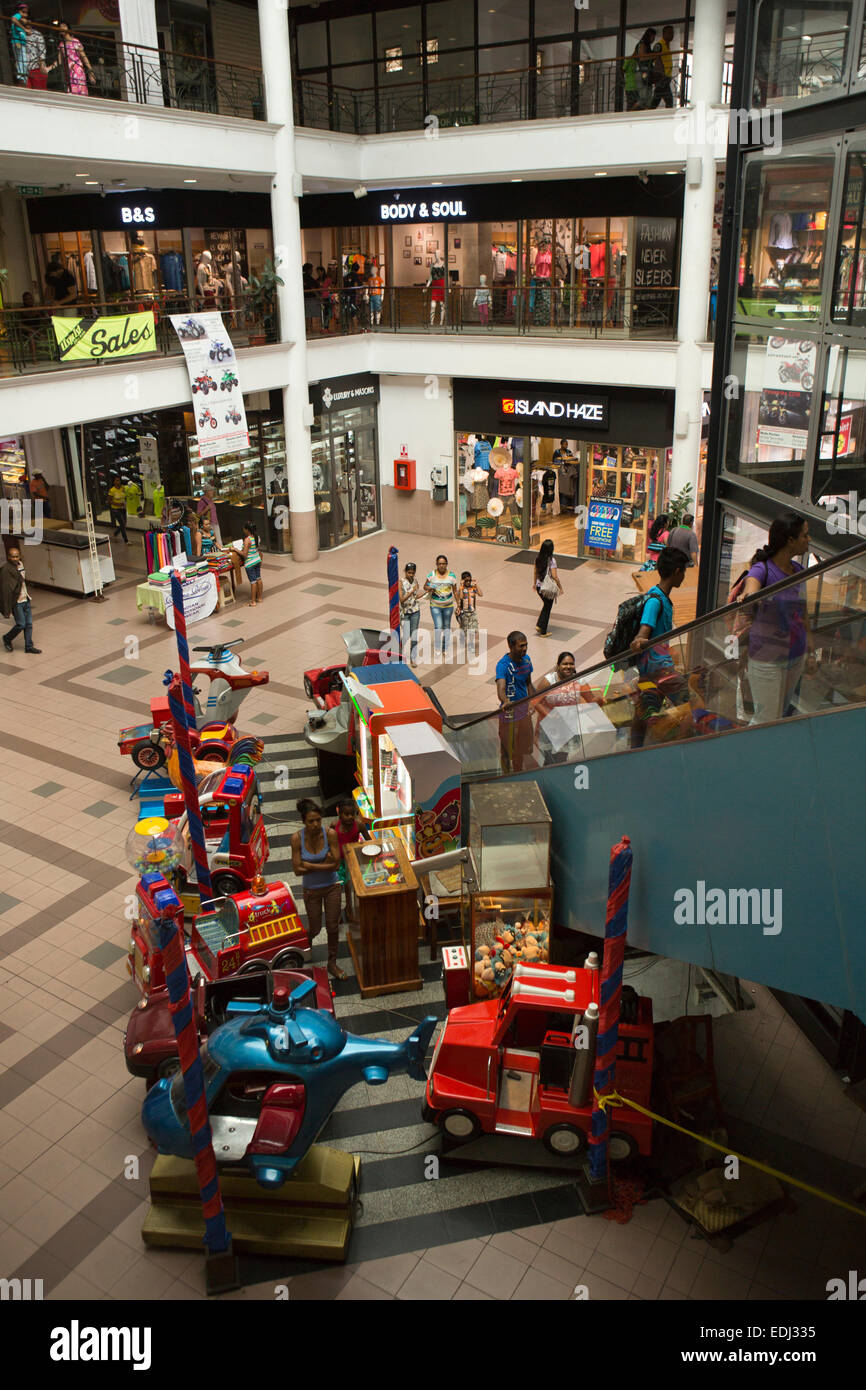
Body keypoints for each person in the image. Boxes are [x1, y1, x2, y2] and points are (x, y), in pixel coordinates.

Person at [737, 512, 813, 725]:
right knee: (766, 717)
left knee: (781, 714)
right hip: (767, 658)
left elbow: (803, 612)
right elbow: (752, 585)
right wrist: (748, 595)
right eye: (805, 536)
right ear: (790, 541)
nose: (809, 540)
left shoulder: (798, 570)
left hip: (795, 654)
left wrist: (811, 651)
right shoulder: (763, 569)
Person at [629, 546, 689, 747]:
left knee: (646, 709)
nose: (684, 577)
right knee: (692, 704)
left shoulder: (660, 596)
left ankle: (633, 750)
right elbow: (643, 634)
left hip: (653, 671)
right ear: (677, 571)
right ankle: (683, 745)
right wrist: (639, 641)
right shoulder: (655, 601)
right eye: (684, 571)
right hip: (659, 671)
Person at [291, 799, 345, 980]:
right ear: (303, 821)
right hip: (311, 890)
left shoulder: (330, 834)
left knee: (332, 926)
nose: (315, 824)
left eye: (318, 820)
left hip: (332, 887)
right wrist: (325, 863)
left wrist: (310, 865)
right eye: (311, 821)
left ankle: (332, 962)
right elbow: (297, 870)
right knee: (314, 928)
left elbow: (336, 865)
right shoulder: (297, 838)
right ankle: (305, 949)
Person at [496, 631, 536, 774]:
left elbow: (529, 684)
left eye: (526, 645)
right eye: (521, 646)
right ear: (511, 646)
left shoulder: (527, 660)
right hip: (509, 718)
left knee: (521, 750)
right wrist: (506, 701)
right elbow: (501, 688)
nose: (525, 649)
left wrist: (531, 702)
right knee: (507, 751)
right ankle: (505, 777)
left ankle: (518, 773)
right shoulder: (503, 665)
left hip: (524, 715)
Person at [535, 650, 580, 763]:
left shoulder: (577, 680)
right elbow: (535, 701)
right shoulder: (548, 681)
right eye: (565, 664)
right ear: (558, 665)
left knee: (562, 758)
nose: (568, 667)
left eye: (571, 664)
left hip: (567, 727)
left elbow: (587, 697)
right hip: (551, 728)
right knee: (550, 759)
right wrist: (549, 715)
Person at [331, 798, 370, 925]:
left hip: (353, 861)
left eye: (352, 814)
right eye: (346, 814)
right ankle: (337, 914)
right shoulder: (333, 825)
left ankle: (349, 909)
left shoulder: (359, 825)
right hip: (338, 862)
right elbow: (329, 842)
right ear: (339, 814)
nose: (349, 817)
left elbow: (369, 841)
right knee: (336, 889)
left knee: (349, 887)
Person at [1, 544, 41, 654]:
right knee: (21, 624)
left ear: (19, 556)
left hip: (25, 598)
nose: (15, 559)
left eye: (17, 556)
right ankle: (7, 638)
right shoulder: (6, 570)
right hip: (17, 602)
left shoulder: (21, 564)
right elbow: (5, 590)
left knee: (29, 624)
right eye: (12, 557)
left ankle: (28, 646)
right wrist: (7, 607)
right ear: (8, 557)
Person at [423, 554, 458, 659]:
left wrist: (459, 605)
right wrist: (429, 587)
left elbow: (455, 591)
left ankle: (445, 648)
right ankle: (438, 647)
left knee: (447, 627)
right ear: (436, 564)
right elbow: (425, 586)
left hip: (448, 606)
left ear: (446, 564)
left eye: (443, 564)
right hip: (435, 605)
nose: (441, 566)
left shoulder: (452, 576)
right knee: (438, 627)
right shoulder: (431, 575)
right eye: (439, 564)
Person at [533, 537, 563, 636]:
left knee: (546, 605)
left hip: (539, 587)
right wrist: (560, 587)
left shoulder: (538, 559)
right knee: (547, 607)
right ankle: (543, 631)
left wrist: (534, 584)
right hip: (547, 588)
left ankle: (539, 625)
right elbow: (555, 576)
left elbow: (535, 572)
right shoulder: (552, 560)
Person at [55, 22, 95, 95]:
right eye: (60, 27)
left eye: (64, 26)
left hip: (77, 69)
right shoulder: (61, 44)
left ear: (68, 28)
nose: (62, 28)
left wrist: (91, 72)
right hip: (69, 71)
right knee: (72, 90)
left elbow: (84, 57)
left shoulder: (75, 41)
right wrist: (48, 68)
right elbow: (59, 61)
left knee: (77, 91)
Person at [400, 561, 422, 666]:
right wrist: (412, 590)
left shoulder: (415, 581)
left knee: (414, 635)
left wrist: (426, 592)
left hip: (415, 611)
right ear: (405, 572)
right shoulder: (401, 582)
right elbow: (402, 599)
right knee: (405, 635)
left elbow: (416, 596)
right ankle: (400, 654)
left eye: (413, 573)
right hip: (405, 612)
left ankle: (413, 658)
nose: (411, 575)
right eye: (409, 572)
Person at [456, 570, 483, 656]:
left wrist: (476, 584)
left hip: (472, 612)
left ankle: (471, 646)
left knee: (472, 630)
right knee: (464, 629)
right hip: (464, 613)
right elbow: (460, 597)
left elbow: (481, 594)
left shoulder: (473, 588)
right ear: (463, 580)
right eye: (466, 581)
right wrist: (460, 586)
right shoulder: (461, 589)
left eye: (469, 580)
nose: (468, 582)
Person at [650, 25, 675, 109]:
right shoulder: (659, 45)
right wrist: (660, 73)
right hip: (662, 77)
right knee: (669, 100)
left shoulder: (667, 46)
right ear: (664, 34)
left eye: (672, 33)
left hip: (666, 77)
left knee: (656, 99)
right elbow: (654, 58)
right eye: (669, 33)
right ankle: (669, 117)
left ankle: (648, 112)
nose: (672, 35)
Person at [241, 521, 263, 605]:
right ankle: (260, 598)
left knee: (253, 582)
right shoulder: (257, 537)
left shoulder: (247, 540)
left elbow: (244, 555)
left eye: (244, 528)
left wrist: (235, 549)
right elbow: (256, 549)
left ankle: (253, 601)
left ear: (247, 530)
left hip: (250, 563)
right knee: (259, 578)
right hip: (257, 560)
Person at [11, 5, 29, 84]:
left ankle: (22, 77)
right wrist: (24, 29)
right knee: (22, 59)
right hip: (18, 41)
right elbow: (13, 19)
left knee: (21, 60)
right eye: (25, 10)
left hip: (20, 42)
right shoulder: (18, 15)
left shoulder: (20, 18)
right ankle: (22, 78)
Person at [108, 473, 128, 543]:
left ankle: (116, 533)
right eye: (116, 481)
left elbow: (125, 496)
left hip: (123, 508)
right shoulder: (112, 490)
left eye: (119, 480)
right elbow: (110, 501)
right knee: (122, 524)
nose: (118, 482)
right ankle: (126, 540)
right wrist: (118, 504)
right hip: (115, 509)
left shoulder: (123, 488)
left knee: (124, 523)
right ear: (114, 482)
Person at [317, 265, 333, 333]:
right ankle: (324, 327)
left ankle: (326, 327)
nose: (318, 273)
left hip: (327, 297)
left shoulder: (328, 279)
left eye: (319, 271)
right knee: (323, 313)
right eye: (317, 272)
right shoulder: (317, 280)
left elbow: (331, 287)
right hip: (321, 298)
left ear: (323, 271)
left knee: (328, 312)